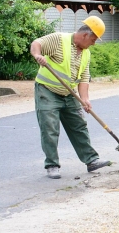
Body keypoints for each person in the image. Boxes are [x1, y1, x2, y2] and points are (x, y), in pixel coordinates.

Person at [30, 16, 111, 179]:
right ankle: (52, 165)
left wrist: (85, 99)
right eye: (93, 39)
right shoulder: (59, 40)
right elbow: (36, 43)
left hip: (69, 93)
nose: (94, 43)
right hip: (47, 91)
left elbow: (84, 77)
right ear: (85, 35)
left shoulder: (86, 53)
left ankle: (91, 160)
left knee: (79, 125)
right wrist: (38, 55)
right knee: (50, 127)